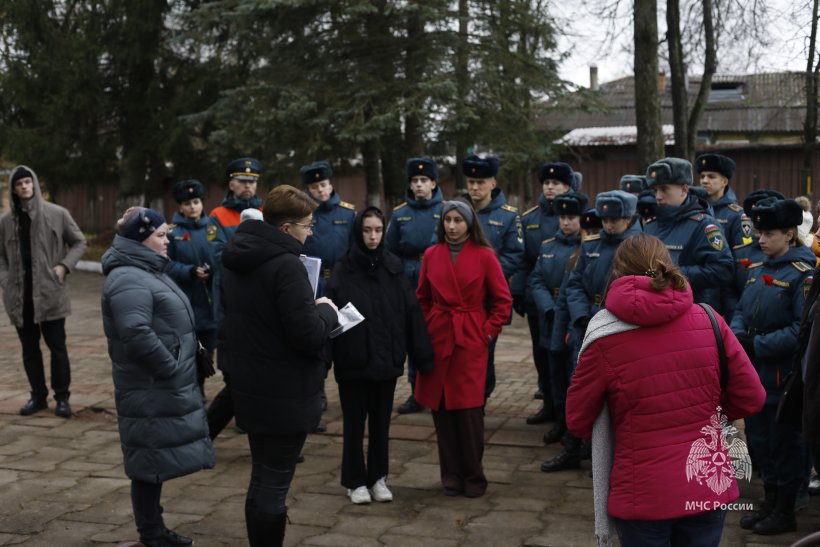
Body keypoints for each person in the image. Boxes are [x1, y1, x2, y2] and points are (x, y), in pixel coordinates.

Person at [566, 233, 765, 547]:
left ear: (617, 272)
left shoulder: (602, 337)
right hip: (706, 483)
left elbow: (578, 420)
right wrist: (708, 413)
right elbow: (752, 397)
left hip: (643, 494)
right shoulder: (711, 319)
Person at [219, 185, 339, 546]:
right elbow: (306, 334)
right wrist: (326, 312)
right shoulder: (287, 266)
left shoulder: (238, 255)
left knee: (261, 476)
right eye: (306, 225)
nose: (311, 232)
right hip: (285, 391)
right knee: (274, 483)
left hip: (251, 385)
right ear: (286, 229)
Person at [101, 207, 215, 547]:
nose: (169, 240)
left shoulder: (147, 269)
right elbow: (135, 333)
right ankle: (151, 535)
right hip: (149, 386)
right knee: (148, 460)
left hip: (156, 385)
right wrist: (170, 366)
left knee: (153, 459)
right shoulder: (128, 277)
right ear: (141, 238)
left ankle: (154, 531)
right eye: (162, 235)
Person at [325, 206, 434, 504]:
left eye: (378, 230)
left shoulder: (394, 266)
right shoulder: (343, 269)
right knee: (354, 423)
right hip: (353, 360)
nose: (373, 236)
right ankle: (354, 480)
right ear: (358, 232)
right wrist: (324, 360)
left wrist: (421, 356)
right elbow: (330, 314)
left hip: (386, 359)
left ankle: (378, 477)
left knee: (381, 424)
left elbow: (412, 312)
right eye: (367, 230)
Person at [414, 199, 512, 498]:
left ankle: (474, 476)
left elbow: (502, 301)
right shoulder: (432, 254)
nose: (453, 227)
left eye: (458, 220)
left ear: (469, 223)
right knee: (441, 410)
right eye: (448, 221)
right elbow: (422, 297)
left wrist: (486, 333)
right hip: (439, 336)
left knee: (469, 412)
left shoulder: (484, 256)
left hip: (470, 339)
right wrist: (429, 324)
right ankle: (451, 476)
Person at [731, 197, 814, 535]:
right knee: (760, 442)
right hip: (754, 373)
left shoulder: (803, 275)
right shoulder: (757, 268)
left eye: (768, 234)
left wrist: (759, 345)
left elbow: (802, 329)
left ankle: (785, 510)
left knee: (784, 444)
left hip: (781, 375)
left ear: (790, 234)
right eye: (758, 233)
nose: (760, 240)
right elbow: (740, 310)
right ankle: (768, 502)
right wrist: (736, 337)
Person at [545, 190, 642, 473]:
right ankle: (573, 447)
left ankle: (610, 458)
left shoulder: (639, 246)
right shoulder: (591, 246)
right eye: (605, 219)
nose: (609, 225)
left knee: (616, 398)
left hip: (620, 329)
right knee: (581, 390)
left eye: (615, 219)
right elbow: (574, 285)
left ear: (628, 217)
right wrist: (580, 317)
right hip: (587, 326)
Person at [0, 165, 86, 418]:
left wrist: (64, 266)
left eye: (28, 182)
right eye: (19, 184)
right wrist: (5, 279)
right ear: (14, 189)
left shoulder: (56, 213)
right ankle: (38, 396)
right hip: (19, 297)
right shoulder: (6, 221)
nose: (24, 187)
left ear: (34, 184)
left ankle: (62, 397)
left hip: (50, 293)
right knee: (29, 350)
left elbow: (79, 241)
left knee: (57, 347)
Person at [513, 161, 577, 422]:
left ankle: (567, 411)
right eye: (546, 183)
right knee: (542, 354)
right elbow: (524, 261)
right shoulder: (529, 218)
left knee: (567, 357)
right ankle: (549, 403)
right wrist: (518, 292)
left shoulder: (580, 216)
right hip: (538, 301)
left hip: (569, 302)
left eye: (556, 184)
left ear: (567, 186)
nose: (550, 187)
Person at [206, 157, 263, 439]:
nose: (248, 186)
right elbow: (217, 255)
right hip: (230, 299)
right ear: (231, 183)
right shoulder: (218, 215)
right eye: (242, 181)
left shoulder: (267, 210)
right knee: (234, 368)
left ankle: (248, 417)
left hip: (261, 299)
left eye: (252, 181)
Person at [527, 191, 588, 442]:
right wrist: (548, 307)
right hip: (550, 316)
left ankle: (576, 428)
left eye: (572, 217)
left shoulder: (587, 248)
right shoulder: (548, 246)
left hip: (573, 318)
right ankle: (557, 417)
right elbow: (536, 279)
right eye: (562, 217)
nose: (566, 222)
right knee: (553, 370)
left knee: (574, 373)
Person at [386, 157, 443, 415]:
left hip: (438, 281)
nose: (419, 185)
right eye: (414, 181)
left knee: (438, 339)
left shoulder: (445, 211)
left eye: (424, 180)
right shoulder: (400, 215)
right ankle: (415, 392)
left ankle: (440, 391)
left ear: (433, 183)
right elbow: (390, 250)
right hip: (408, 281)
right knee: (413, 337)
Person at [463, 154, 522, 401]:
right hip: (460, 298)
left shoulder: (508, 216)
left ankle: (480, 400)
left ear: (493, 183)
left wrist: (486, 278)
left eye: (481, 182)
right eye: (471, 182)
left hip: (488, 298)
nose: (475, 187)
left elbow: (515, 254)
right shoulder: (458, 211)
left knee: (484, 351)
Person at [643, 157, 734, 314]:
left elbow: (723, 270)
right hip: (654, 310)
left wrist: (672, 274)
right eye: (655, 190)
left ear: (684, 190)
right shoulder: (650, 225)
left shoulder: (704, 225)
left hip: (692, 313)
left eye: (664, 189)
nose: (658, 196)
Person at [166, 180, 216, 399]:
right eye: (187, 203)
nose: (193, 207)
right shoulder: (172, 233)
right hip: (186, 300)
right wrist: (188, 271)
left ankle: (201, 384)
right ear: (180, 207)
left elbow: (221, 255)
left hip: (211, 301)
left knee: (208, 349)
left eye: (196, 202)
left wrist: (212, 270)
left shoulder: (213, 229)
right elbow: (166, 264)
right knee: (188, 349)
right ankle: (193, 388)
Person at [300, 160, 356, 297]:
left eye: (323, 185)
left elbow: (355, 246)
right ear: (308, 190)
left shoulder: (348, 213)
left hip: (342, 278)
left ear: (330, 186)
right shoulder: (302, 214)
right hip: (312, 280)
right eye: (314, 187)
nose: (320, 190)